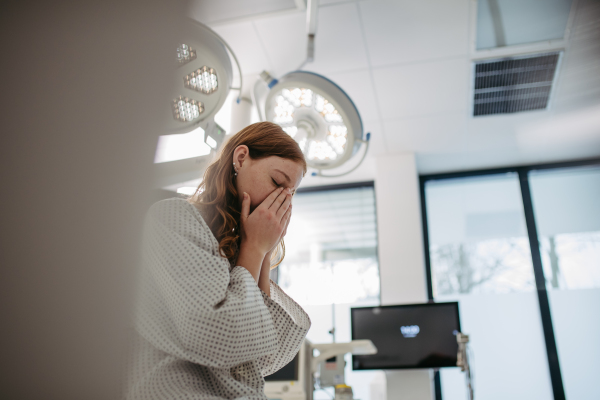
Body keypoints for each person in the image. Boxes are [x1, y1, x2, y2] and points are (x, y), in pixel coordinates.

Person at [126, 122, 311, 399]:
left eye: (291, 193)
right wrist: (255, 246)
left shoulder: (242, 248)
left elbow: (259, 358)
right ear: (241, 158)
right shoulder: (174, 218)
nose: (282, 200)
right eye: (276, 182)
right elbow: (221, 336)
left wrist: (261, 250)